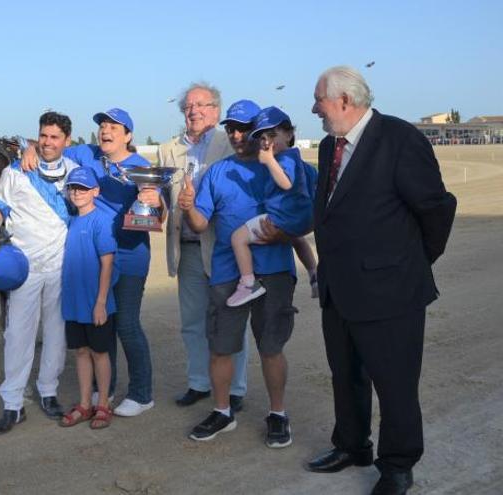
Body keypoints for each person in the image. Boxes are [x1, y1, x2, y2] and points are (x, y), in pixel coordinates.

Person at [304, 66, 456, 495]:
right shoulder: (329, 147)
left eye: (318, 99)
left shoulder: (400, 139)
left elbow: (436, 208)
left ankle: (398, 466)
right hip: (339, 289)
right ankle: (352, 446)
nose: (314, 108)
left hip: (391, 291)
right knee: (346, 375)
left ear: (344, 100)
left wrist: (413, 261)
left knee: (395, 384)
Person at [178, 100, 307, 448]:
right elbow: (201, 223)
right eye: (231, 129)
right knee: (221, 348)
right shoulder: (217, 172)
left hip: (274, 271)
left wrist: (287, 238)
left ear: (261, 131)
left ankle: (278, 414)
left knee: (271, 347)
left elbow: (303, 213)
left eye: (244, 129)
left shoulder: (282, 164)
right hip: (226, 273)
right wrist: (188, 208)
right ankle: (222, 412)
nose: (236, 135)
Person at [22, 108, 160, 417]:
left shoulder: (141, 166)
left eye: (114, 127)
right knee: (102, 324)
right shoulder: (87, 153)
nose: (105, 131)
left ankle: (141, 394)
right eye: (103, 126)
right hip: (93, 258)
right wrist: (30, 148)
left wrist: (155, 201)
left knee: (126, 325)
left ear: (128, 135)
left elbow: (155, 213)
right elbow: (52, 146)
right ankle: (104, 389)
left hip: (129, 256)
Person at [0, 112, 79, 434]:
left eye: (55, 137)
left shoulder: (75, 172)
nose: (48, 142)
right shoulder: (16, 171)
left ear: (66, 140)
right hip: (24, 268)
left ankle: (49, 392)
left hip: (60, 266)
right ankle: (13, 404)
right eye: (43, 136)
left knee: (56, 334)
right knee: (18, 336)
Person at [157, 83, 248, 410]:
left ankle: (235, 388)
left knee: (229, 322)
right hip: (186, 249)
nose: (193, 111)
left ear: (216, 110)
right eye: (188, 107)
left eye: (201, 105)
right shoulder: (167, 150)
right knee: (192, 322)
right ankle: (199, 382)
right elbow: (162, 199)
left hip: (223, 248)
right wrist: (149, 201)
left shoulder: (230, 143)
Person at [226, 106, 318, 307]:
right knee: (298, 240)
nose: (267, 142)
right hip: (301, 218)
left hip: (283, 218)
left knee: (238, 238)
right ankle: (314, 275)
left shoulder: (285, 158)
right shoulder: (296, 159)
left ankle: (248, 283)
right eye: (262, 138)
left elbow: (286, 183)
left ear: (289, 134)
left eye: (273, 135)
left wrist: (268, 161)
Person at [57, 167, 118, 430]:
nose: (76, 193)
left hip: (96, 303)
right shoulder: (71, 221)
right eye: (72, 188)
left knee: (100, 353)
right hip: (74, 303)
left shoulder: (101, 221)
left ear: (95, 191)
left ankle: (103, 403)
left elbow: (107, 264)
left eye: (82, 188)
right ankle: (85, 403)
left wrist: (101, 302)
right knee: (81, 352)